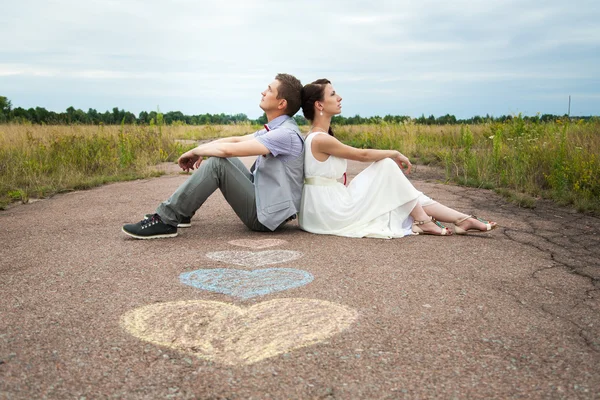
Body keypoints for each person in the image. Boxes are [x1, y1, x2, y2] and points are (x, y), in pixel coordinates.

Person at [298, 79, 497, 238]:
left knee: (401, 188)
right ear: (319, 104)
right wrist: (393, 153)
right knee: (386, 166)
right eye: (333, 94)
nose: (339, 97)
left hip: (330, 204)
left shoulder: (321, 136)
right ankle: (427, 221)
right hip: (328, 212)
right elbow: (362, 155)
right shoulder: (320, 139)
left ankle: (460, 219)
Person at [122, 73, 304, 239]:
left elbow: (227, 150)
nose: (263, 92)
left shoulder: (284, 134)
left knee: (219, 163)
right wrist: (202, 148)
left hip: (265, 216)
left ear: (281, 104)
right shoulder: (279, 128)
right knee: (224, 160)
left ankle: (166, 219)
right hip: (264, 199)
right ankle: (182, 212)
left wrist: (195, 152)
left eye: (270, 90)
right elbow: (234, 141)